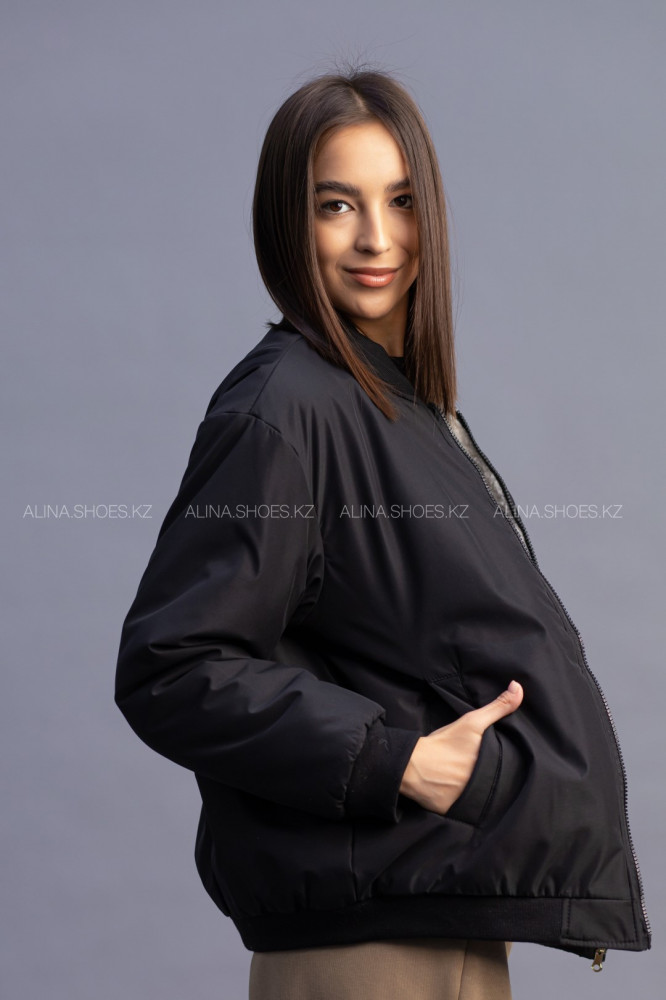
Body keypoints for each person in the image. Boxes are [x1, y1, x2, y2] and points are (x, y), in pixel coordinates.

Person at [114, 68, 650, 999]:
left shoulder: (388, 404)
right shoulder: (286, 408)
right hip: (375, 946)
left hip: (438, 918)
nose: (376, 237)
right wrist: (398, 761)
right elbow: (173, 666)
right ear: (289, 223)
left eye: (400, 201)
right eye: (337, 205)